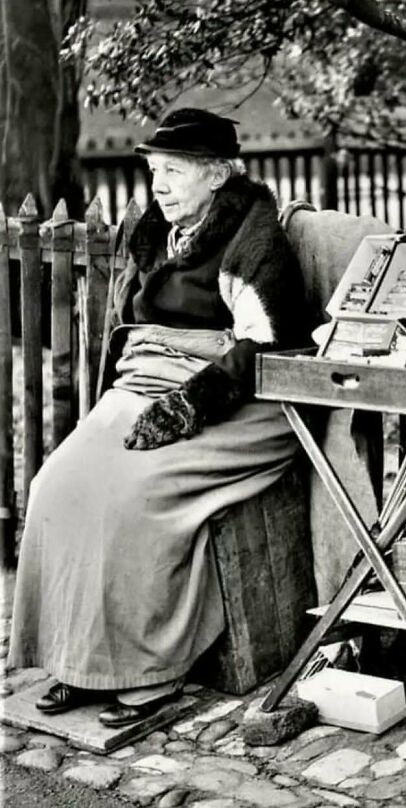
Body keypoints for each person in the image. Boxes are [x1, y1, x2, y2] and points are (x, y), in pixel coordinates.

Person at [8, 108, 311, 727]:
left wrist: (185, 408)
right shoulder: (158, 231)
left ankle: (146, 674)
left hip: (237, 402)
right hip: (147, 383)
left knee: (133, 497)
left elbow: (268, 348)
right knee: (55, 486)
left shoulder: (254, 239)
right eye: (155, 172)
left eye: (174, 172)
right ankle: (78, 662)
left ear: (220, 175)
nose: (160, 186)